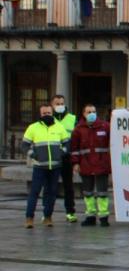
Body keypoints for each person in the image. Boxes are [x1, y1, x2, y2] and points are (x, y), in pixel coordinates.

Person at [21, 104, 71, 228]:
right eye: (44, 113)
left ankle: (48, 217)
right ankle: (29, 218)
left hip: (55, 167)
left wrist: (61, 153)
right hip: (39, 167)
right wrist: (33, 155)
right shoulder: (33, 127)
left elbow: (67, 144)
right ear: (40, 114)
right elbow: (24, 146)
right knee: (34, 192)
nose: (46, 115)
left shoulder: (59, 127)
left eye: (48, 113)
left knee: (51, 193)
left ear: (52, 113)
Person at [71, 104, 112, 227]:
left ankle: (104, 217)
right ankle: (90, 216)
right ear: (84, 114)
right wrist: (75, 163)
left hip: (102, 165)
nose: (92, 114)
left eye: (93, 111)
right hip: (86, 165)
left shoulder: (105, 126)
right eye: (89, 112)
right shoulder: (78, 129)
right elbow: (74, 149)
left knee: (102, 192)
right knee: (87, 192)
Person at [51, 95, 78, 223]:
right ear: (52, 105)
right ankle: (47, 213)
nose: (60, 106)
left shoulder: (72, 118)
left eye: (62, 103)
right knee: (50, 186)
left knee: (68, 186)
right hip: (53, 157)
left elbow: (77, 137)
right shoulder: (49, 119)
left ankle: (70, 212)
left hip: (67, 157)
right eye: (57, 103)